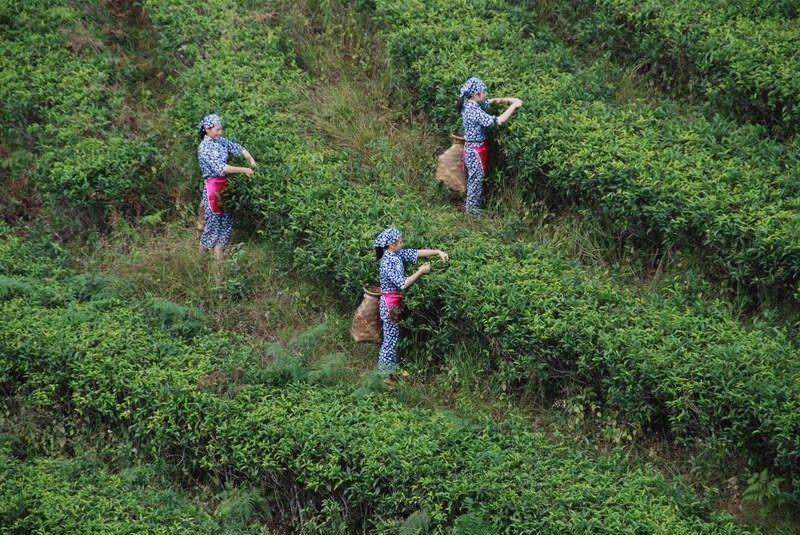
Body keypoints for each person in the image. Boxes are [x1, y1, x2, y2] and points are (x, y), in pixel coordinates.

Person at [373, 227, 448, 375]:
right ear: (392, 244)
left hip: (394, 303)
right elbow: (403, 283)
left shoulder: (397, 253)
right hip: (389, 305)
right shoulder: (388, 262)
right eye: (400, 241)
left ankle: (389, 371)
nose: (403, 243)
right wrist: (420, 271)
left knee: (392, 338)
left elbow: (417, 253)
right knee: (390, 340)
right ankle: (384, 375)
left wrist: (437, 251)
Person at [458, 77, 522, 215]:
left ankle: (474, 212)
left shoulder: (469, 103)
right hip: (475, 152)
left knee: (475, 182)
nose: (486, 94)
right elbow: (497, 121)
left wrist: (507, 100)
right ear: (476, 95)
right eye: (484, 91)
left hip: (473, 149)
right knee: (475, 184)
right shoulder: (473, 110)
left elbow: (489, 102)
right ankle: (472, 215)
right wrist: (514, 106)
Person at [196, 114, 257, 260]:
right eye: (217, 130)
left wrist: (250, 159)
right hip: (213, 188)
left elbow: (236, 147)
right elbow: (220, 168)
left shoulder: (220, 141)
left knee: (226, 225)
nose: (220, 132)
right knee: (213, 227)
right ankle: (200, 261)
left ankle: (218, 267)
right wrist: (244, 169)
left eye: (221, 129)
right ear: (207, 129)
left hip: (225, 187)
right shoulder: (204, 148)